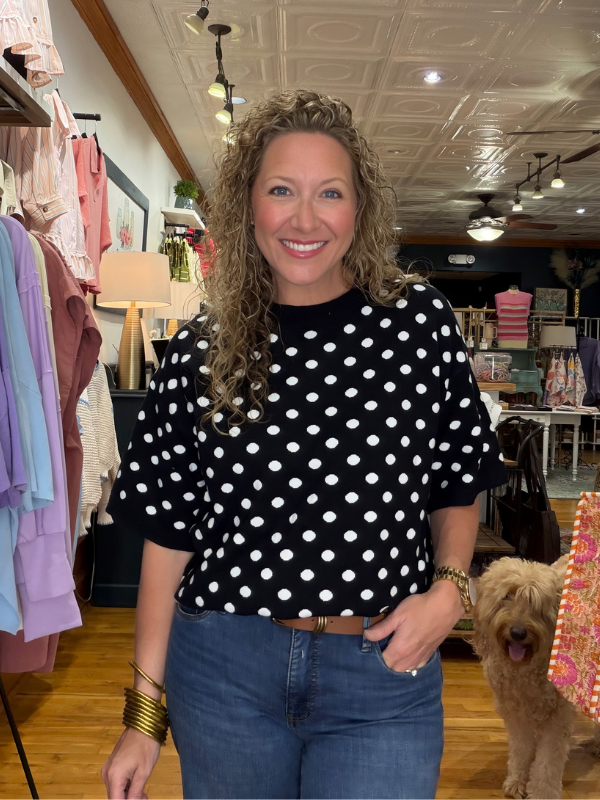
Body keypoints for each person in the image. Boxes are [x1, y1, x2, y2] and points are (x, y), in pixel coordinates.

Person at [101, 89, 507, 800]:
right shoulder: (203, 349)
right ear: (248, 204)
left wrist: (450, 588)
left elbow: (456, 477)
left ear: (361, 209)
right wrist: (143, 715)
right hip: (224, 668)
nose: (305, 218)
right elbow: (167, 538)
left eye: (330, 193)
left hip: (381, 668)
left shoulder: (418, 326)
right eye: (282, 190)